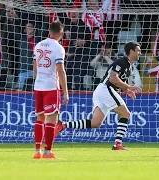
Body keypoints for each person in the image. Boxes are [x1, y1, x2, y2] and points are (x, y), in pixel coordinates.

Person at [56, 41, 142, 150]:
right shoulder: (122, 62)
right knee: (126, 114)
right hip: (106, 89)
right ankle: (118, 144)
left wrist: (126, 90)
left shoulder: (128, 66)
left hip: (101, 90)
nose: (140, 53)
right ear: (131, 51)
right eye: (138, 51)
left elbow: (118, 81)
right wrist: (129, 86)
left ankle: (63, 125)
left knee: (95, 123)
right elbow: (113, 78)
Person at [32, 21, 69, 159]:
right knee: (51, 120)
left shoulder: (38, 45)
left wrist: (39, 79)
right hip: (51, 87)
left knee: (39, 117)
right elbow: (60, 70)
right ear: (61, 33)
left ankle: (37, 151)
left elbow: (35, 68)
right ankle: (47, 152)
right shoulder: (59, 48)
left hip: (38, 86)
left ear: (49, 31)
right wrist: (65, 92)